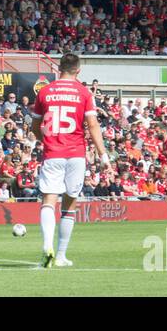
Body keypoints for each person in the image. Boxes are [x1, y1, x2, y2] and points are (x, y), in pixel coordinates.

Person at [30, 52, 106, 268]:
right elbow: (92, 126)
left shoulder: (44, 91)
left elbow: (35, 127)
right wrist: (103, 154)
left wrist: (45, 139)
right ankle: (61, 255)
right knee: (70, 205)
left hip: (53, 152)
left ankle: (47, 246)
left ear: (58, 68)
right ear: (78, 70)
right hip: (76, 154)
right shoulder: (84, 93)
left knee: (48, 201)